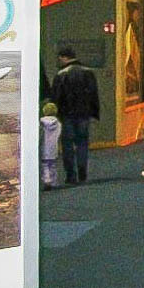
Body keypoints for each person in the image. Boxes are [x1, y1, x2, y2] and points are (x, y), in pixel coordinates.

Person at [51, 46, 100, 184]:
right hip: (84, 114)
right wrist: (94, 113)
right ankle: (82, 172)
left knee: (67, 144)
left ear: (64, 57)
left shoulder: (61, 74)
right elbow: (93, 95)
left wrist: (56, 114)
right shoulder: (88, 72)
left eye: (60, 58)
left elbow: (56, 97)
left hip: (67, 115)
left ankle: (71, 175)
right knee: (82, 143)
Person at [40, 102, 61, 190]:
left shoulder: (41, 123)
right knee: (53, 165)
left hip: (44, 146)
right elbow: (58, 135)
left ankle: (46, 180)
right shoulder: (58, 124)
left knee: (45, 165)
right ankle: (54, 181)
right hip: (54, 147)